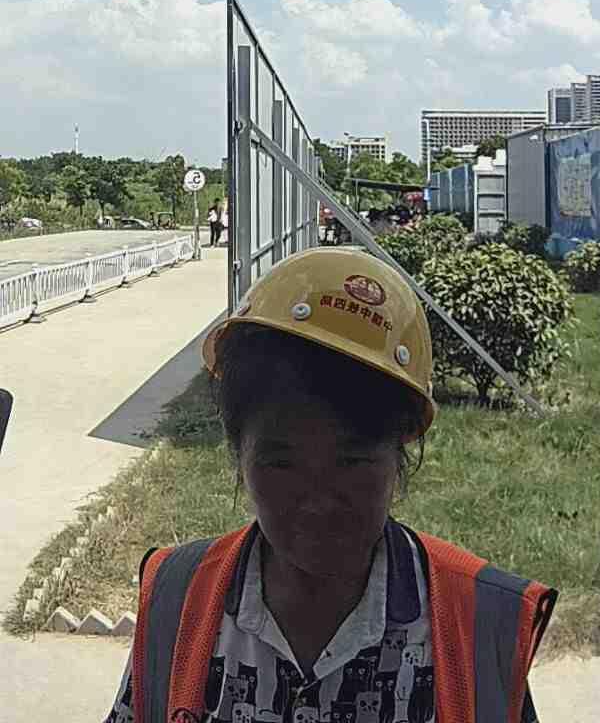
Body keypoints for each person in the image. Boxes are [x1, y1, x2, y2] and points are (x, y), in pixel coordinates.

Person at [103, 248, 556, 723]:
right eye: (282, 463)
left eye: (352, 461)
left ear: (401, 450)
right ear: (239, 454)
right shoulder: (176, 600)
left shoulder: (481, 624)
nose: (318, 502)